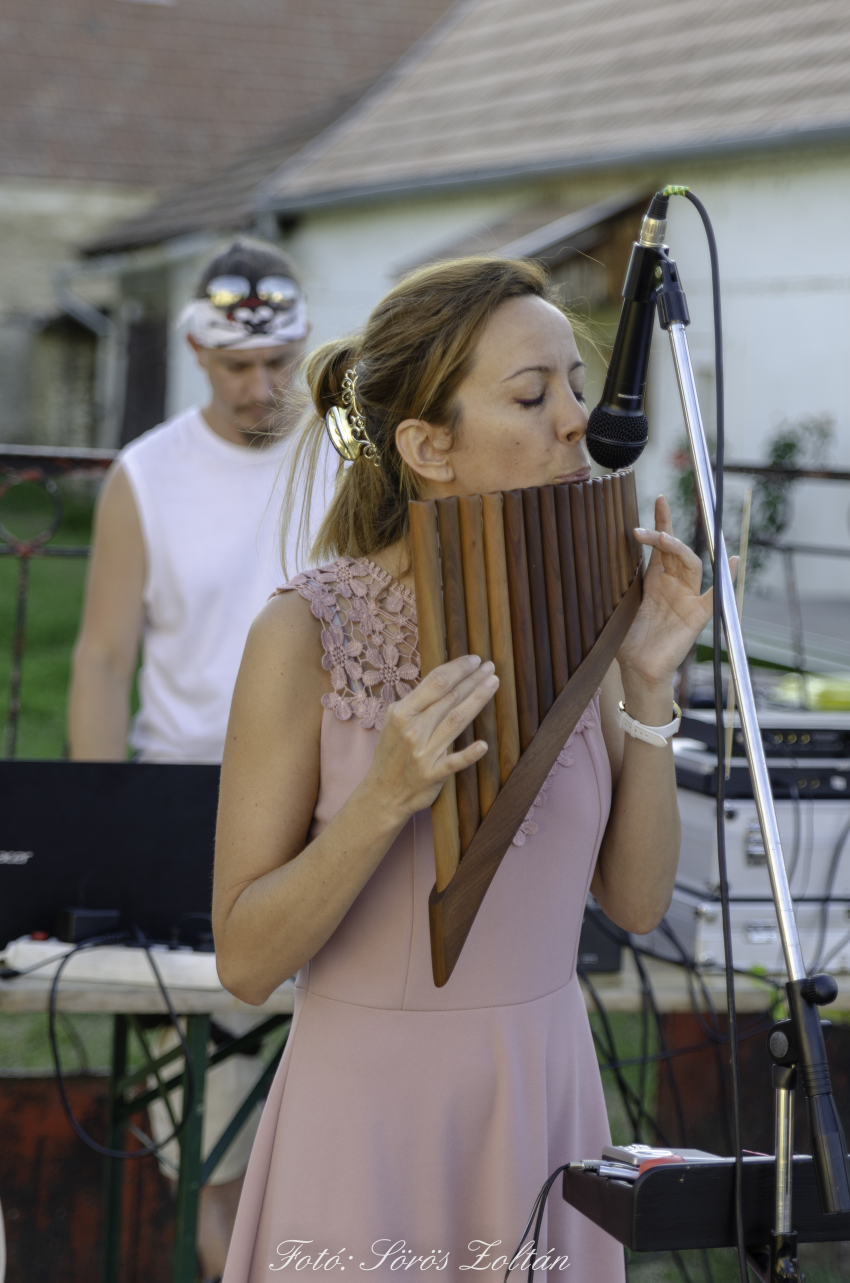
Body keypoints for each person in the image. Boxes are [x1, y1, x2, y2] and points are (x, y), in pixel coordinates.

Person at [212, 257, 729, 1280]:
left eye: (574, 386)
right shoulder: (303, 631)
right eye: (532, 395)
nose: (578, 421)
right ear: (427, 445)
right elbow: (244, 958)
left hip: (541, 1095)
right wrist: (383, 800)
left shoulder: (589, 611)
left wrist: (651, 685)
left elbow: (632, 901)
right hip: (368, 1114)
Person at [68, 239, 331, 1282]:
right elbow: (97, 657)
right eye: (236, 366)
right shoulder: (147, 472)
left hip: (332, 797)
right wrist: (102, 828)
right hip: (187, 802)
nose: (261, 388)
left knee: (329, 1058)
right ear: (194, 349)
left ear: (303, 345)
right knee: (205, 1117)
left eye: (278, 363)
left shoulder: (349, 457)